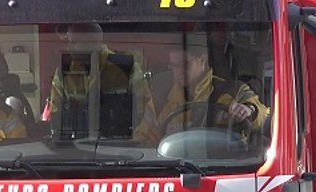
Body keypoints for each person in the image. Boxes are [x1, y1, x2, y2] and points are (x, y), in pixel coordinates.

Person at [135, 32, 269, 145]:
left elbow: (263, 114)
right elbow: (144, 139)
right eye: (174, 65)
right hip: (172, 167)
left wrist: (249, 110)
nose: (178, 71)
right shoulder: (160, 98)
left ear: (203, 60)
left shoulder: (234, 91)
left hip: (226, 167)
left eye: (185, 64)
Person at [43, 22, 147, 139]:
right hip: (74, 148)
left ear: (93, 42)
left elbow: (143, 112)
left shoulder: (126, 68)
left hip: (119, 146)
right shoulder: (64, 72)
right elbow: (55, 114)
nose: (69, 47)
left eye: (74, 42)